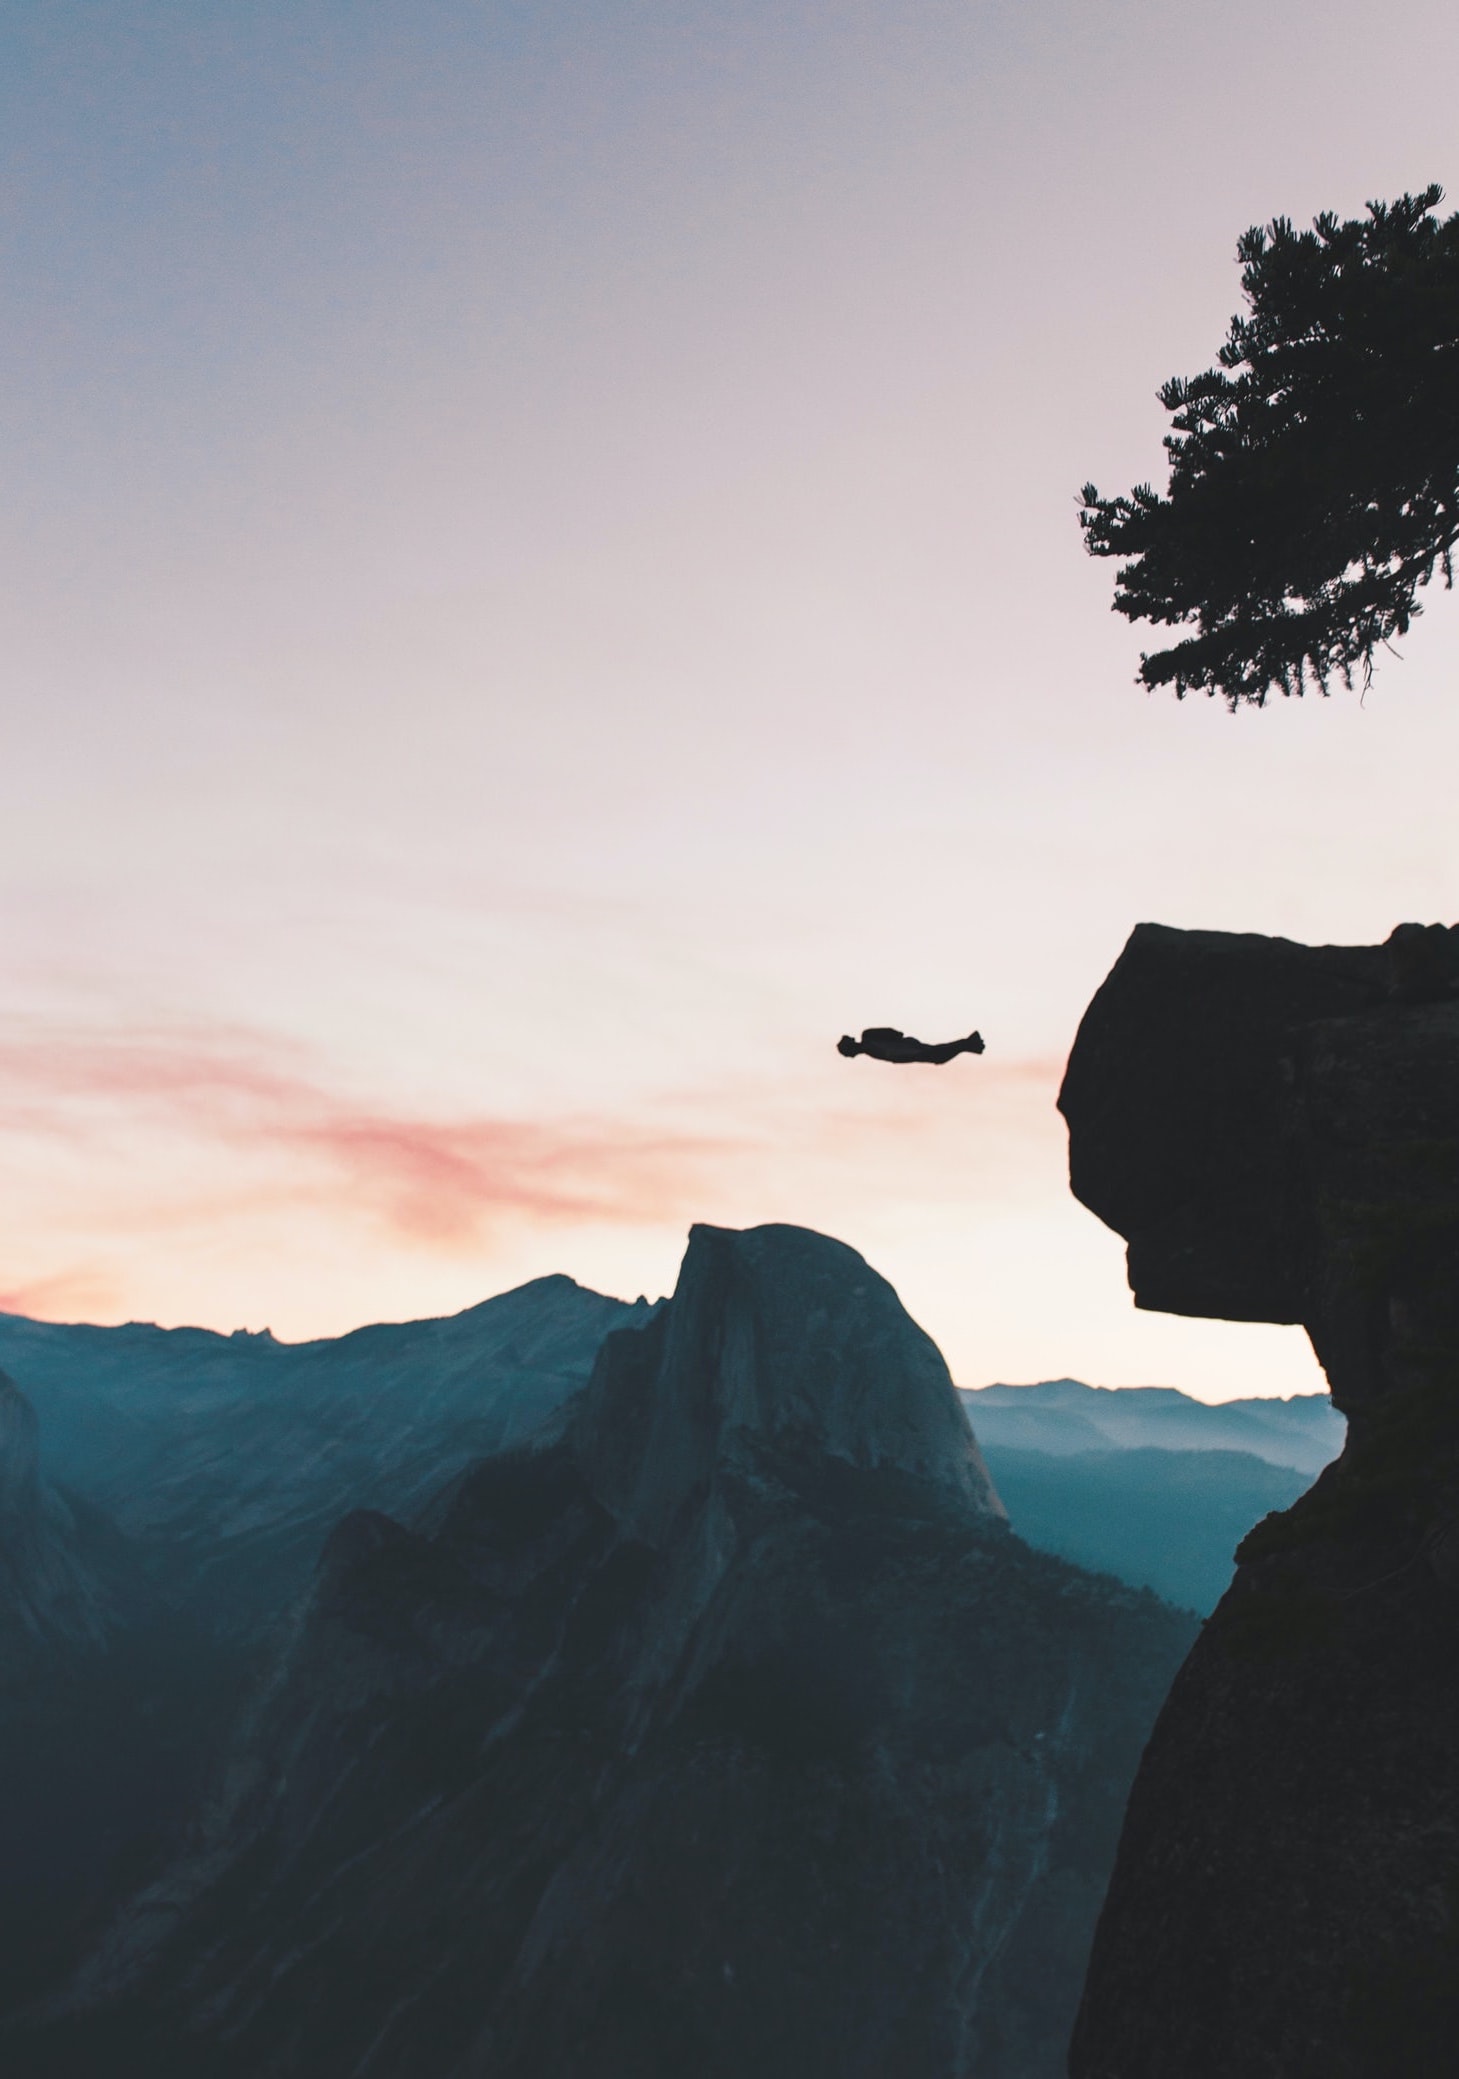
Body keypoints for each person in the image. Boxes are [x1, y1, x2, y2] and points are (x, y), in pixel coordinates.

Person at [837, 1026, 985, 1065]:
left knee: (938, 1055)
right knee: (939, 1056)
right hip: (909, 1052)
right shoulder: (870, 1048)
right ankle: (970, 1044)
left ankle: (969, 1043)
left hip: (909, 1049)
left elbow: (895, 1034)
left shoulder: (868, 1038)